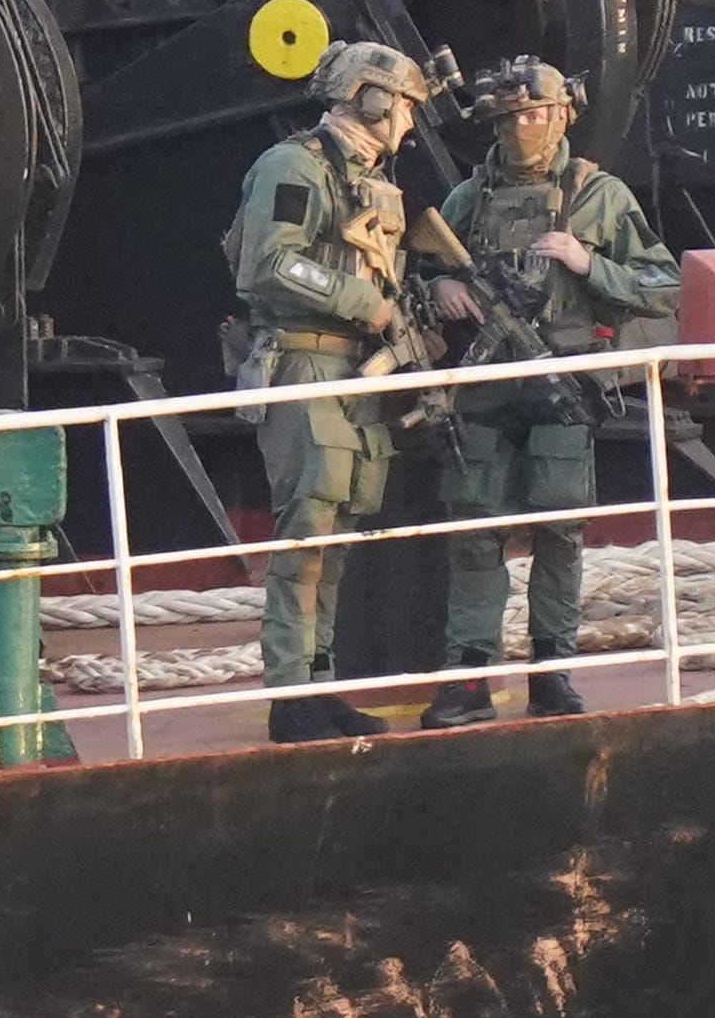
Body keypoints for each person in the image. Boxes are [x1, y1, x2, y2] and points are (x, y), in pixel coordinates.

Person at [426, 55, 680, 720]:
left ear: (564, 114)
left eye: (537, 113)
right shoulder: (468, 198)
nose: (525, 127)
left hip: (562, 379)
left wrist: (588, 261)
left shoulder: (599, 194)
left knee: (560, 531)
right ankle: (470, 675)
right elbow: (414, 270)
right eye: (511, 118)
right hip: (485, 383)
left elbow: (664, 286)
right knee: (476, 529)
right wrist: (441, 286)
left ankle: (552, 671)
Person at [223, 39, 452, 742]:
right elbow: (267, 264)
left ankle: (319, 686)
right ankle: (289, 697)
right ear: (372, 99)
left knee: (341, 536)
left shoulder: (370, 180)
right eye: (406, 107)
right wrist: (367, 304)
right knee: (308, 536)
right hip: (306, 366)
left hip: (353, 375)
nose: (411, 124)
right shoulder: (295, 166)